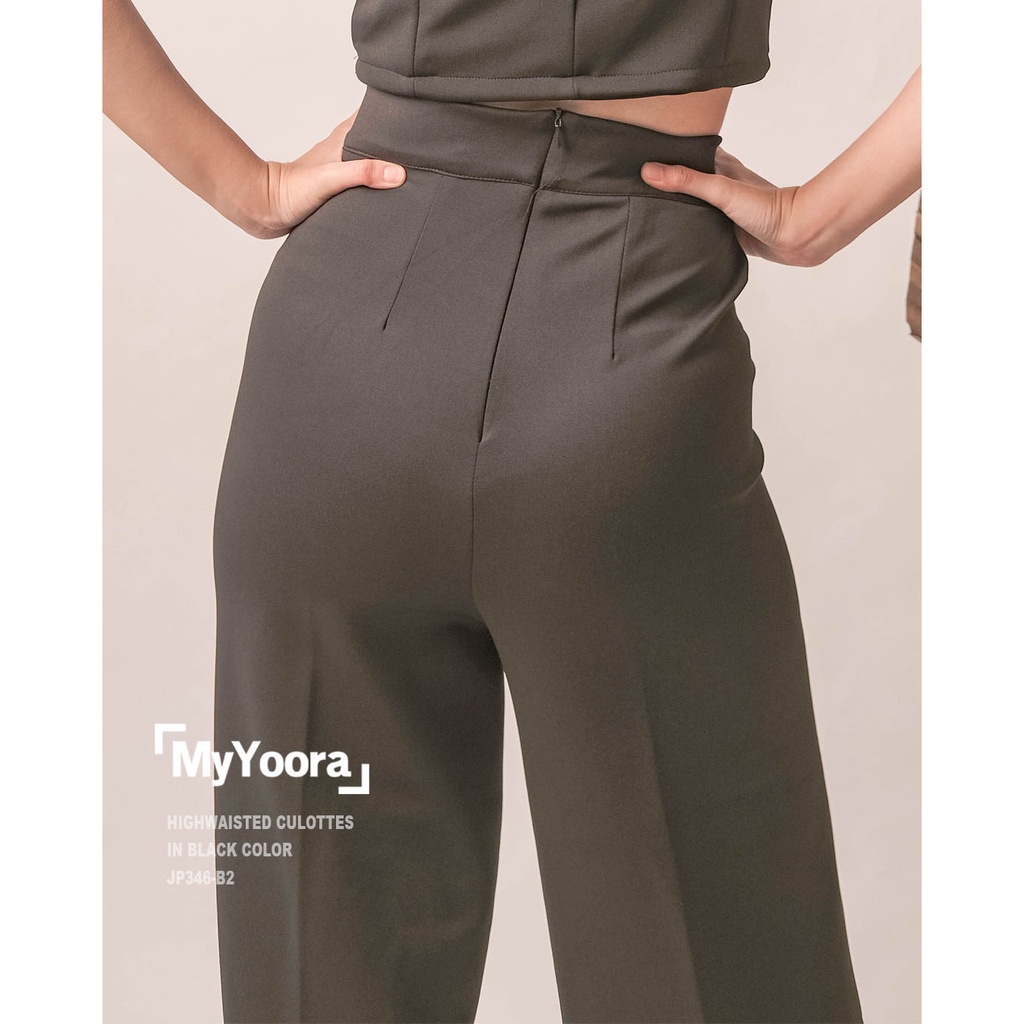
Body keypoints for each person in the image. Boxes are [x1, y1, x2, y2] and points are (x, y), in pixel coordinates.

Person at [104, 2, 920, 1022]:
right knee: (714, 967)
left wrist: (246, 185)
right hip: (625, 340)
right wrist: (821, 215)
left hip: (342, 351)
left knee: (321, 973)